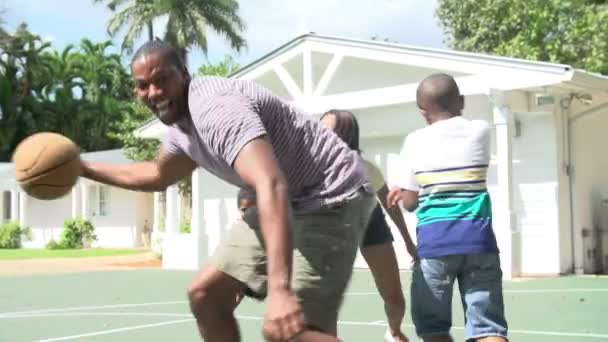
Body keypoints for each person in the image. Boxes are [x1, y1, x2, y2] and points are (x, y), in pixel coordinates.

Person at [80, 40, 377, 342]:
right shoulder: (182, 128)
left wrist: (279, 290)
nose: (153, 93)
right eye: (143, 85)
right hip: (286, 196)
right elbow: (157, 174)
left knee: (291, 331)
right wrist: (83, 168)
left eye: (162, 79)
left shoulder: (215, 109)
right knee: (205, 295)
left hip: (330, 193)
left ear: (184, 73)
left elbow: (271, 183)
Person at [387, 73, 508, 342]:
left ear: (422, 112)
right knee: (488, 328)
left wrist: (403, 190)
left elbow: (410, 204)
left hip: (435, 247)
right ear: (461, 101)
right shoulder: (481, 130)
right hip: (479, 242)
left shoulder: (415, 142)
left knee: (434, 330)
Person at [320, 110, 416, 342]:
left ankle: (394, 331)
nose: (320, 134)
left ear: (345, 136)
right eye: (319, 128)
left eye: (327, 129)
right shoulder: (312, 169)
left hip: (370, 224)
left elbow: (391, 206)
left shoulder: (367, 169)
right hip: (331, 227)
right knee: (324, 297)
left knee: (395, 299)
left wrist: (409, 242)